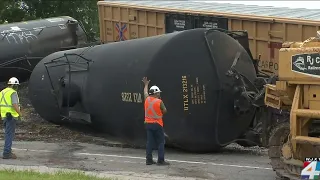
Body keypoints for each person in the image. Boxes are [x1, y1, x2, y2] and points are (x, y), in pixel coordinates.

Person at [142, 77, 170, 166]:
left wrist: (146, 85)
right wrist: (160, 112)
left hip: (148, 124)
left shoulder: (147, 99)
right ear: (155, 93)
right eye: (158, 92)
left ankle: (149, 160)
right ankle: (160, 160)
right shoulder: (159, 101)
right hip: (157, 124)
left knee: (149, 142)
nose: (159, 94)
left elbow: (145, 92)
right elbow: (165, 110)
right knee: (161, 142)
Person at [0, 77, 22, 159]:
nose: (17, 87)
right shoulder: (13, 93)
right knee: (9, 135)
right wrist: (20, 114)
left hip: (5, 116)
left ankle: (7, 150)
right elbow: (15, 104)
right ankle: (7, 153)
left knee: (7, 134)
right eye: (16, 85)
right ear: (14, 85)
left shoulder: (2, 92)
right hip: (11, 116)